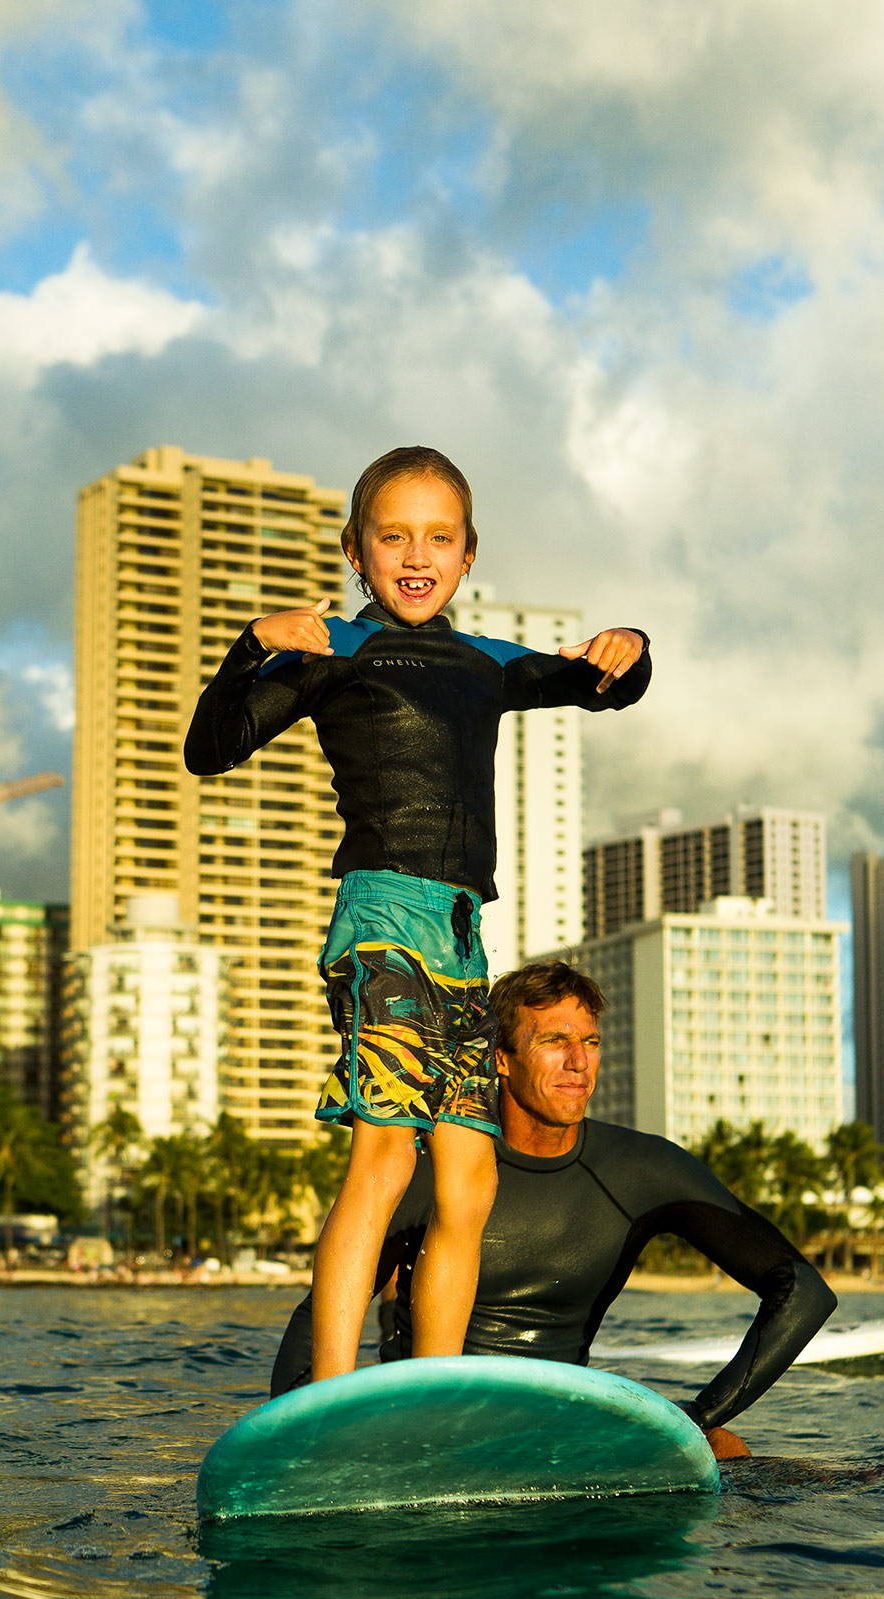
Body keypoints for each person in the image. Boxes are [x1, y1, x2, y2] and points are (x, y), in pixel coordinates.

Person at [185, 447, 650, 1380]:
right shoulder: (333, 650)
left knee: (470, 1181)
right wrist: (251, 644)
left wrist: (629, 646)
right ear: (355, 550)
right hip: (383, 917)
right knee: (388, 1153)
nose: (415, 553)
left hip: (461, 931)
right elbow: (212, 747)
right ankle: (331, 1390)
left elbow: (606, 686)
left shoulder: (487, 661)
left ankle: (430, 1391)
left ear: (469, 554)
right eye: (393, 535)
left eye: (438, 537)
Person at [270, 960, 838, 1456]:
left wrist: (700, 1417)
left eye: (590, 1042)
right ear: (500, 1060)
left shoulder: (641, 1170)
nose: (578, 1062)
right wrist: (302, 1438)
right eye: (553, 1041)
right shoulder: (439, 1170)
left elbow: (803, 1291)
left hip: (551, 1428)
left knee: (726, 1450)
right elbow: (315, 1314)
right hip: (426, 1422)